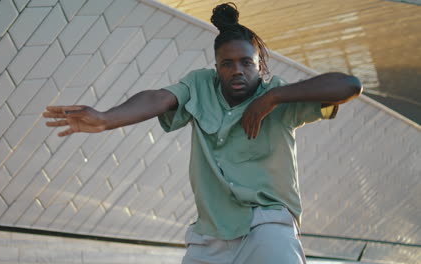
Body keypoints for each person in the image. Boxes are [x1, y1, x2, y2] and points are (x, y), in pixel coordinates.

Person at [43, 3, 362, 263]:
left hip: (267, 226)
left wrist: (271, 98)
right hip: (211, 235)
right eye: (227, 64)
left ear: (259, 65)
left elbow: (349, 86)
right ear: (216, 65)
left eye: (245, 63)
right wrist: (105, 119)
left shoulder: (280, 96)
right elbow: (158, 98)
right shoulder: (199, 85)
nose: (237, 70)